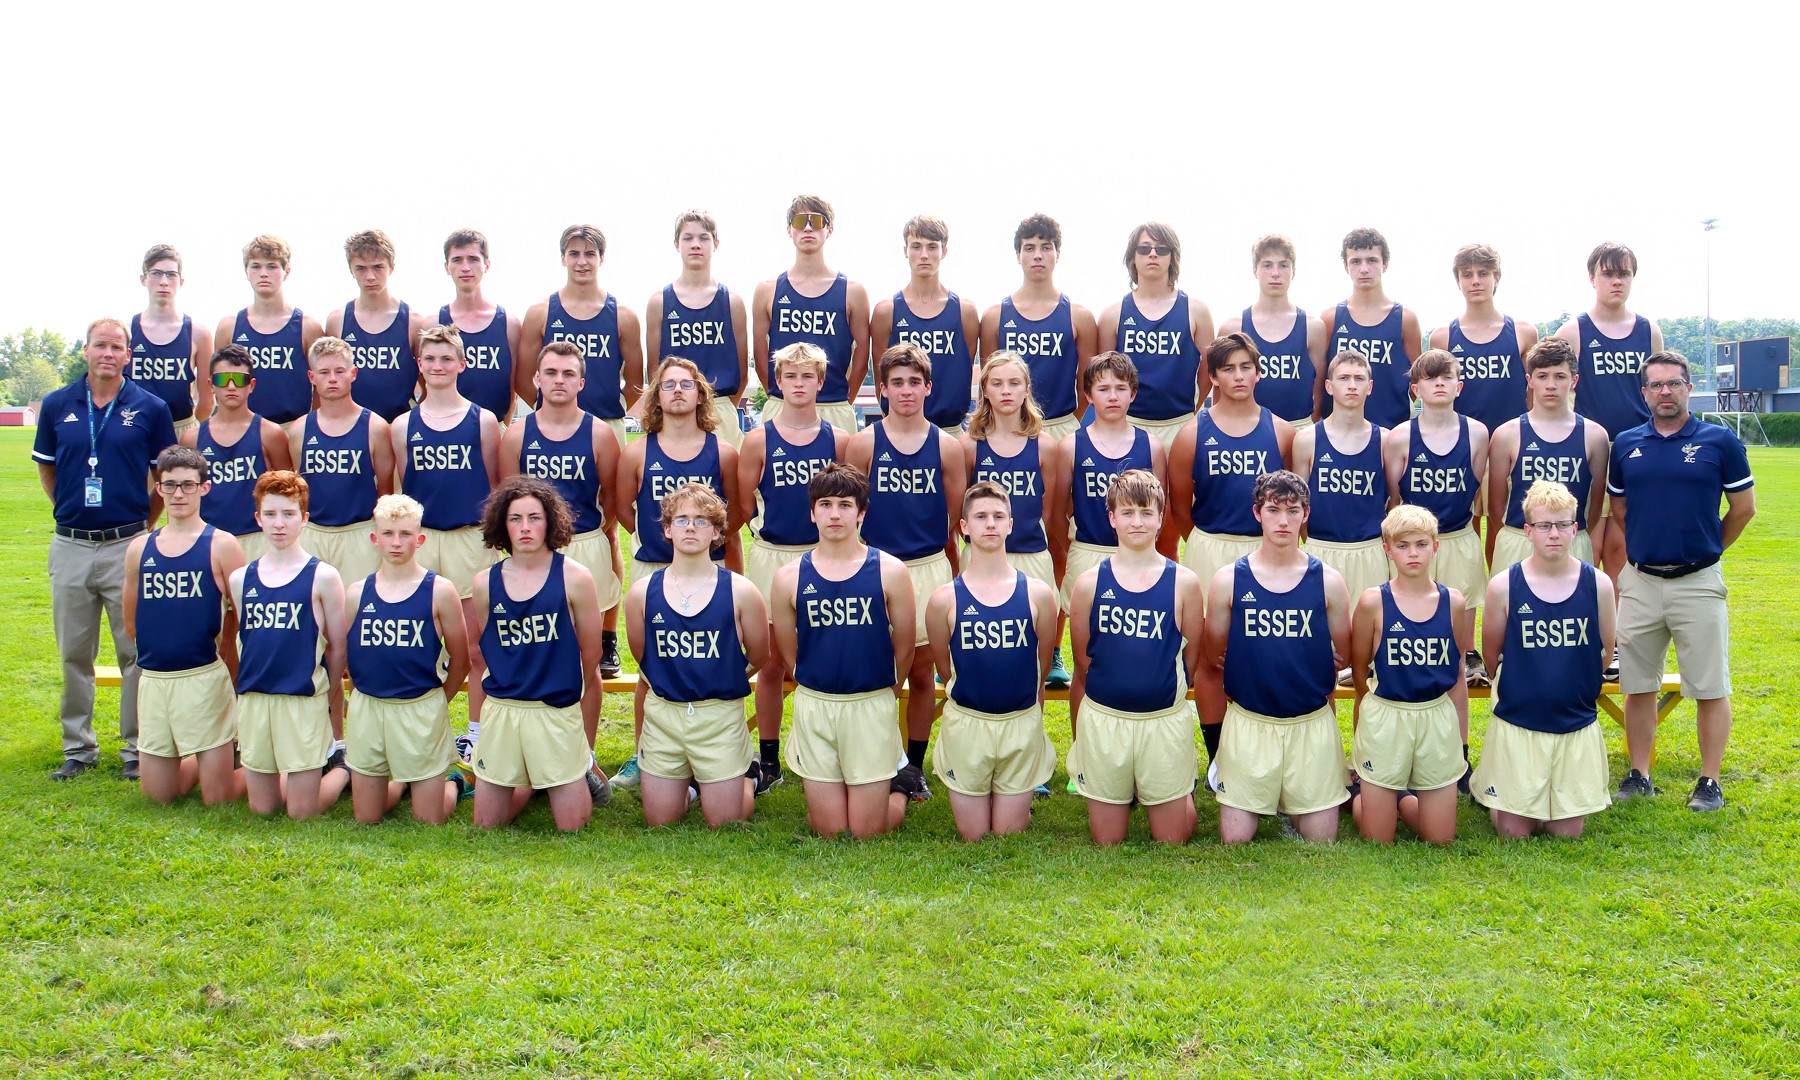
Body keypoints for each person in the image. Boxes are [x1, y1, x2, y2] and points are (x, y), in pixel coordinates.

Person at [1608, 352, 1755, 812]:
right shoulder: (1626, 443)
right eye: (1656, 385)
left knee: (1709, 686)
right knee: (1638, 685)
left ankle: (1709, 781)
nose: (1665, 392)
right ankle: (1639, 774)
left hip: (1698, 581)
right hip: (1640, 581)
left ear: (1688, 388)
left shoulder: (1720, 441)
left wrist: (1707, 548)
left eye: (1673, 383)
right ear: (1644, 393)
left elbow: (1744, 509)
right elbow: (1619, 509)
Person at [34, 316, 179, 781]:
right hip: (71, 545)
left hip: (127, 545)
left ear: (128, 355)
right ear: (85, 350)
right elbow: (47, 468)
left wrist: (144, 526)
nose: (108, 354)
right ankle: (78, 748)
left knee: (134, 651)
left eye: (117, 347)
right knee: (74, 653)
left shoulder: (151, 407)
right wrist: (70, 510)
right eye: (100, 345)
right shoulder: (57, 405)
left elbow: (165, 478)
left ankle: (136, 747)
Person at [1166, 332, 1296, 764]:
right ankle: (1219, 760)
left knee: (1265, 648)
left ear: (1258, 372)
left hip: (1266, 550)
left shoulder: (1282, 432)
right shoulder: (1191, 434)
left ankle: (1264, 751)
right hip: (1210, 544)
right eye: (1228, 369)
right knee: (1210, 655)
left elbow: (1293, 499)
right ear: (1213, 377)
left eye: (1246, 367)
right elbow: (1179, 507)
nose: (1238, 376)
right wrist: (1206, 542)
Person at [769, 463, 918, 838]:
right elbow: (788, 651)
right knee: (831, 830)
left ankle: (900, 787)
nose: (835, 514)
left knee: (867, 831)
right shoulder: (788, 576)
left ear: (861, 513)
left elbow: (904, 647)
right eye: (826, 505)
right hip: (817, 704)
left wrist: (885, 690)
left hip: (870, 703)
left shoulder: (890, 570)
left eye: (845, 505)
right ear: (812, 513)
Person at [614, 356, 744, 785]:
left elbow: (734, 516)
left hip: (709, 569)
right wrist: (662, 544)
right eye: (668, 385)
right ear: (656, 397)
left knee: (713, 657)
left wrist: (711, 554)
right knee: (651, 667)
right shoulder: (637, 452)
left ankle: (719, 754)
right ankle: (644, 755)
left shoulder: (722, 452)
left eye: (686, 385)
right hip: (654, 567)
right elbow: (623, 510)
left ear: (701, 395)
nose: (677, 392)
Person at [518, 224, 639, 678]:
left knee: (605, 529)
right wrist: (553, 415)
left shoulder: (621, 314)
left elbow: (636, 380)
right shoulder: (541, 312)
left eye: (590, 253)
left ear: (601, 258)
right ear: (563, 258)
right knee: (537, 522)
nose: (582, 260)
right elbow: (524, 375)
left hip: (603, 425)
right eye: (574, 252)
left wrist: (598, 415)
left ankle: (606, 637)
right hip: (549, 424)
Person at [1207, 471, 1352, 844]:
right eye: (1273, 510)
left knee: (1320, 840)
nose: (1283, 520)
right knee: (1235, 838)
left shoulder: (1328, 580)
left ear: (1306, 514)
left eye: (1293, 510)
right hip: (1250, 722)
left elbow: (1344, 651)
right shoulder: (1228, 579)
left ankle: (1296, 798)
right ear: (1257, 513)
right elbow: (1215, 650)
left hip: (1309, 724)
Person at [849, 343, 967, 799]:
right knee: (879, 673)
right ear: (882, 389)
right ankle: (879, 759)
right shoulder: (864, 443)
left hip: (927, 565)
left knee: (921, 673)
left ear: (928, 387)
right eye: (896, 382)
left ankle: (913, 767)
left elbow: (953, 517)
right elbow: (851, 508)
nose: (905, 390)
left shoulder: (948, 447)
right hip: (875, 567)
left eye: (914, 382)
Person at [500, 340, 625, 760]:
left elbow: (612, 499)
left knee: (586, 661)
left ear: (582, 382)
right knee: (535, 651)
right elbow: (507, 500)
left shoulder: (601, 434)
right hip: (531, 554)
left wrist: (590, 535)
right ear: (536, 378)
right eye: (551, 372)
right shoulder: (518, 434)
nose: (559, 380)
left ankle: (584, 756)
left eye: (568, 373)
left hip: (584, 546)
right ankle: (535, 750)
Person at [1066, 470, 1205, 845]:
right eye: (1127, 512)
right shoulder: (1089, 583)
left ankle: (1175, 790)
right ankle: (1128, 787)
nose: (1137, 522)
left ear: (1161, 518)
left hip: (1161, 723)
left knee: (1172, 838)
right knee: (1107, 840)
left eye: (1146, 512)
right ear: (1112, 518)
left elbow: (1191, 656)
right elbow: (1084, 659)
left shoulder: (1184, 582)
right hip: (1107, 721)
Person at [1471, 480, 1616, 838]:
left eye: (1563, 524)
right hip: (1519, 721)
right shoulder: (1504, 585)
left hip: (1573, 720)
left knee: (1567, 832)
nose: (1554, 534)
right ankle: (1503, 795)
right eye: (1544, 525)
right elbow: (1492, 654)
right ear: (1528, 531)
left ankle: (1548, 800)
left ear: (1575, 528)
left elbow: (1604, 651)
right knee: (1513, 832)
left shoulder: (1598, 584)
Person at [469, 475, 612, 830]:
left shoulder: (575, 577)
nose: (525, 527)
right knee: (486, 823)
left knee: (571, 825)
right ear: (502, 524)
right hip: (504, 710)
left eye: (534, 517)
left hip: (554, 712)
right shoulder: (485, 582)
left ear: (550, 522)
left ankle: (577, 768)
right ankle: (532, 781)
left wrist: (580, 731)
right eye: (515, 518)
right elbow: (487, 648)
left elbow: (590, 655)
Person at [624, 483, 768, 828]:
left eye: (702, 521)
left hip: (718, 715)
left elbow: (760, 654)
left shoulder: (741, 590)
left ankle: (748, 776)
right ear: (667, 529)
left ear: (717, 532)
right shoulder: (642, 593)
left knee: (726, 821)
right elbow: (643, 656)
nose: (691, 527)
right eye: (682, 519)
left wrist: (722, 677)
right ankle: (693, 785)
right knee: (660, 821)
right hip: (665, 715)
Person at [736, 342, 848, 786]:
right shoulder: (758, 439)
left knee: (824, 656)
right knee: (770, 664)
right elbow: (744, 503)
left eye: (807, 376)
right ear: (777, 382)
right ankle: (769, 760)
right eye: (790, 376)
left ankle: (825, 752)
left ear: (821, 382)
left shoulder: (838, 439)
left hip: (824, 556)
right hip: (773, 554)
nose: (798, 384)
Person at [926, 481, 1059, 840]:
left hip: (1019, 722)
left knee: (1007, 832)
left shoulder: (1038, 594)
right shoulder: (943, 600)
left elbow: (1042, 664)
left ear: (1011, 525)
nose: (990, 524)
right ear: (964, 526)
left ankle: (1016, 792)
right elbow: (944, 668)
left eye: (999, 517)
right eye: (980, 516)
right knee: (973, 833)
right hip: (968, 725)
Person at [392, 324, 502, 741]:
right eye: (430, 359)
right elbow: (405, 484)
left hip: (470, 539)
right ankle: (422, 732)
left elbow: (494, 484)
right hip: (422, 540)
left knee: (476, 646)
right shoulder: (402, 425)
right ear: (419, 365)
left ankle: (476, 734)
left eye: (446, 358)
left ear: (462, 363)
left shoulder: (483, 421)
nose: (438, 366)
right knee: (419, 644)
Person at [123, 446, 247, 805]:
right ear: (159, 488)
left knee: (218, 798)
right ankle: (204, 761)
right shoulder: (140, 548)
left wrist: (229, 665)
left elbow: (241, 617)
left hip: (203, 677)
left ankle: (265, 770)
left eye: (188, 485)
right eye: (170, 485)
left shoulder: (222, 545)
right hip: (156, 680)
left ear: (204, 488)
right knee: (158, 797)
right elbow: (131, 623)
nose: (179, 494)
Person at [343, 494, 475, 824]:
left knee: (429, 819)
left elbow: (461, 660)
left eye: (405, 534)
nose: (396, 542)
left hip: (420, 708)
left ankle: (456, 782)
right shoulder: (357, 593)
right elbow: (350, 655)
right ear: (374, 539)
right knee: (367, 817)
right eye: (388, 534)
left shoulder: (440, 590)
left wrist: (438, 701)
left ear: (420, 539)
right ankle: (404, 782)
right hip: (370, 708)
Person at [229, 470, 351, 819]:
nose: (279, 524)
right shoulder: (241, 579)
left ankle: (345, 769)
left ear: (304, 518)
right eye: (270, 514)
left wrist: (326, 693)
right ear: (258, 519)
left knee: (301, 812)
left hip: (302, 700)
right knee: (263, 810)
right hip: (256, 700)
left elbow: (337, 647)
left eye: (288, 514)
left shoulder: (323, 576)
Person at [1347, 505, 1471, 844]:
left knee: (1440, 839)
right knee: (1378, 838)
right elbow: (1360, 670)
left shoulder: (1453, 602)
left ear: (1435, 546)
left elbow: (1456, 668)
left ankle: (1400, 799)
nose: (1413, 553)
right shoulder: (1373, 602)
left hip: (1435, 717)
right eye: (1402, 546)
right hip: (1388, 716)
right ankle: (1361, 796)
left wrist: (1459, 740)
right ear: (1387, 549)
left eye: (1421, 544)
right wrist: (1373, 715)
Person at [1555, 242, 1666, 588]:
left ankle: (1617, 623)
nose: (1617, 281)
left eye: (1624, 274)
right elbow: (1550, 391)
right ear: (1592, 278)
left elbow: (1658, 390)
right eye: (1608, 274)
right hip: (1586, 452)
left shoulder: (1648, 331)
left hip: (1635, 452)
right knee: (1584, 545)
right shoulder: (1573, 331)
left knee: (1621, 550)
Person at [1385, 349, 1489, 690]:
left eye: (1447, 377)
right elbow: (1394, 497)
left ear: (1460, 386)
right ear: (1416, 390)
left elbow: (1474, 486)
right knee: (1411, 600)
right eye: (1430, 379)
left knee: (1465, 597)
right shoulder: (1400, 436)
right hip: (1414, 538)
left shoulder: (1477, 433)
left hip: (1457, 533)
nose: (1440, 384)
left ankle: (1468, 653)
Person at [962, 351, 1067, 689]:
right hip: (980, 555)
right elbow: (961, 509)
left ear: (1026, 390)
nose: (1006, 391)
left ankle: (1050, 659)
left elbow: (1049, 512)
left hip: (1031, 554)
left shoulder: (1045, 446)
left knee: (1031, 648)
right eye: (997, 383)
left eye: (1014, 383)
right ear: (985, 390)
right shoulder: (969, 445)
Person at [1049, 352, 1166, 616]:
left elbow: (1161, 510)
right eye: (1103, 389)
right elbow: (1056, 515)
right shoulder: (1071, 446)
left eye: (1120, 388)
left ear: (1132, 394)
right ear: (1088, 395)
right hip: (1088, 551)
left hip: (1138, 554)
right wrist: (1078, 549)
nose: (1112, 396)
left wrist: (1141, 545)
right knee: (1086, 631)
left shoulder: (1152, 447)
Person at [1485, 338, 1607, 574]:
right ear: (1530, 380)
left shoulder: (1594, 436)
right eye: (1542, 376)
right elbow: (1496, 509)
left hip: (1572, 541)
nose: (1551, 385)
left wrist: (1567, 531)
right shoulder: (1506, 434)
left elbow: (1594, 508)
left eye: (1560, 376)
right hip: (1519, 539)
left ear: (1574, 380)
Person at [754, 195, 870, 433]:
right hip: (781, 405)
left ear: (829, 229)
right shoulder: (767, 291)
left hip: (834, 406)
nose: (808, 228)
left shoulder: (853, 292)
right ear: (789, 230)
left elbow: (862, 360)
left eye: (816, 221)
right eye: (799, 221)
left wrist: (841, 400)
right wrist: (781, 394)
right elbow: (760, 357)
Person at [980, 213, 1098, 444]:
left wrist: (1072, 423)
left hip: (1061, 426)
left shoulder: (1080, 317)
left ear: (1057, 254)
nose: (1037, 255)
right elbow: (989, 381)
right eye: (1029, 248)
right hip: (1009, 427)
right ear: (1018, 255)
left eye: (1046, 247)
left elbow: (1087, 383)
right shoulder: (995, 317)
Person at [289, 336, 393, 592]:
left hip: (359, 532)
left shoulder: (375, 427)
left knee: (358, 606)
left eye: (339, 371)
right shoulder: (300, 429)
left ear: (353, 374)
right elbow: (298, 489)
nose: (332, 379)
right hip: (312, 532)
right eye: (324, 372)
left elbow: (386, 491)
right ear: (312, 377)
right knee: (313, 610)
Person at [1099, 221, 1216, 450]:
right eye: (1144, 248)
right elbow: (1102, 374)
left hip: (1180, 423)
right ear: (1133, 257)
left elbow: (1209, 370)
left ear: (1172, 257)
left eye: (1161, 249)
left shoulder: (1196, 311)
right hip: (1128, 423)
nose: (1152, 254)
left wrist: (1192, 407)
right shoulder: (1113, 314)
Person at [1294, 352, 1390, 620]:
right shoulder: (1307, 439)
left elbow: (1394, 502)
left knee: (1370, 633)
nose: (1352, 385)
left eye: (1359, 378)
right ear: (1329, 386)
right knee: (1319, 634)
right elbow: (1298, 504)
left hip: (1369, 551)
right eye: (1344, 378)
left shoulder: (1385, 440)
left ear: (1370, 387)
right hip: (1320, 547)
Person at [647, 209, 749, 446]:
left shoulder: (732, 302)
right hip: (675, 412)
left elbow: (742, 372)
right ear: (677, 244)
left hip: (720, 409)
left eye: (703, 238)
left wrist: (715, 405)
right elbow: (654, 372)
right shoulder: (659, 303)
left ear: (715, 244)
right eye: (688, 238)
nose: (695, 244)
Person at [182, 344, 293, 562]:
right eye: (223, 379)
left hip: (258, 538)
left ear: (251, 385)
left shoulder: (271, 434)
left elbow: (286, 494)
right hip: (208, 540)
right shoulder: (192, 438)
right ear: (211, 384)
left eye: (240, 379)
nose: (231, 386)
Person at [870, 214, 980, 433]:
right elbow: (881, 377)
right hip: (900, 429)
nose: (924, 255)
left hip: (950, 429)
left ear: (944, 251)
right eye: (916, 246)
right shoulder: (886, 312)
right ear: (905, 251)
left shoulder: (964, 312)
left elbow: (964, 369)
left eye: (932, 247)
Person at [1430, 244, 1538, 441]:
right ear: (1458, 281)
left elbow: (1534, 396)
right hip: (1461, 444)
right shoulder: (1442, 338)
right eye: (1467, 275)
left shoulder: (1523, 333)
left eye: (1483, 273)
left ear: (1497, 277)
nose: (1475, 281)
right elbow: (1435, 398)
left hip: (1514, 442)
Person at [1216, 235, 1326, 427]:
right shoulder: (1233, 328)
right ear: (1255, 271)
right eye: (1267, 265)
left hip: (1298, 429)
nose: (1275, 273)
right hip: (1247, 430)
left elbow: (1319, 394)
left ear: (1293, 271)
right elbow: (1220, 394)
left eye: (1283, 265)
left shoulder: (1313, 328)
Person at [216, 235, 323, 426]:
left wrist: (310, 428)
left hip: (292, 427)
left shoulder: (307, 327)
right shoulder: (229, 327)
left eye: (272, 266)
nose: (263, 273)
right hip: (242, 429)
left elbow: (321, 386)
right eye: (256, 266)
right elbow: (218, 383)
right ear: (246, 271)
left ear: (286, 271)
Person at [1322, 227, 1421, 428]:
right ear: (1346, 266)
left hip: (1390, 432)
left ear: (1385, 264)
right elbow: (1319, 380)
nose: (1364, 269)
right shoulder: (1331, 319)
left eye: (1372, 260)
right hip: (1338, 434)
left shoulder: (1405, 320)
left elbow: (1418, 380)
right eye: (1356, 261)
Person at [324, 229, 427, 422]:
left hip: (397, 425)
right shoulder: (337, 321)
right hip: (350, 426)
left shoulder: (413, 322)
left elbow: (428, 384)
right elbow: (325, 381)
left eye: (378, 267)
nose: (370, 276)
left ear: (391, 268)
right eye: (361, 268)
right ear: (351, 270)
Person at [438, 228, 520, 424]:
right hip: (445, 429)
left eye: (473, 259)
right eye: (457, 260)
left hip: (496, 428)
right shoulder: (435, 323)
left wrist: (502, 427)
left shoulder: (509, 325)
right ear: (447, 266)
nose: (465, 267)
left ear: (487, 265)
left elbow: (513, 386)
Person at [129, 244, 214, 434]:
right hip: (134, 429)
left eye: (171, 275)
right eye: (156, 273)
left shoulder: (198, 334)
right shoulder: (127, 331)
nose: (164, 281)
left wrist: (190, 433)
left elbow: (207, 401)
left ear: (180, 281)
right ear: (143, 279)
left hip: (180, 429)